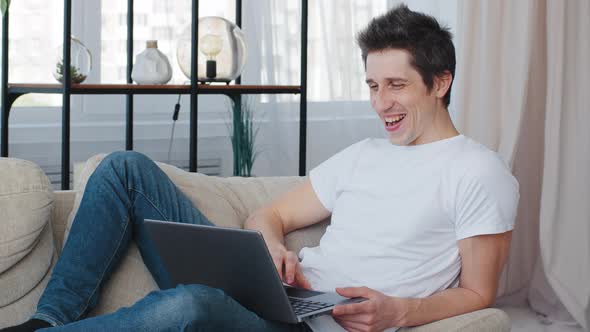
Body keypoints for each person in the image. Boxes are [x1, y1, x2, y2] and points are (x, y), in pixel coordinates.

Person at [2, 4, 519, 332]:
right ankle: (48, 319)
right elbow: (269, 215)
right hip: (279, 297)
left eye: (397, 85)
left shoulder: (477, 171)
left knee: (190, 307)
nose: (381, 103)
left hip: (315, 328)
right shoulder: (365, 155)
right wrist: (270, 246)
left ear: (440, 81)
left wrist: (402, 312)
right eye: (372, 85)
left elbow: (480, 293)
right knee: (122, 169)